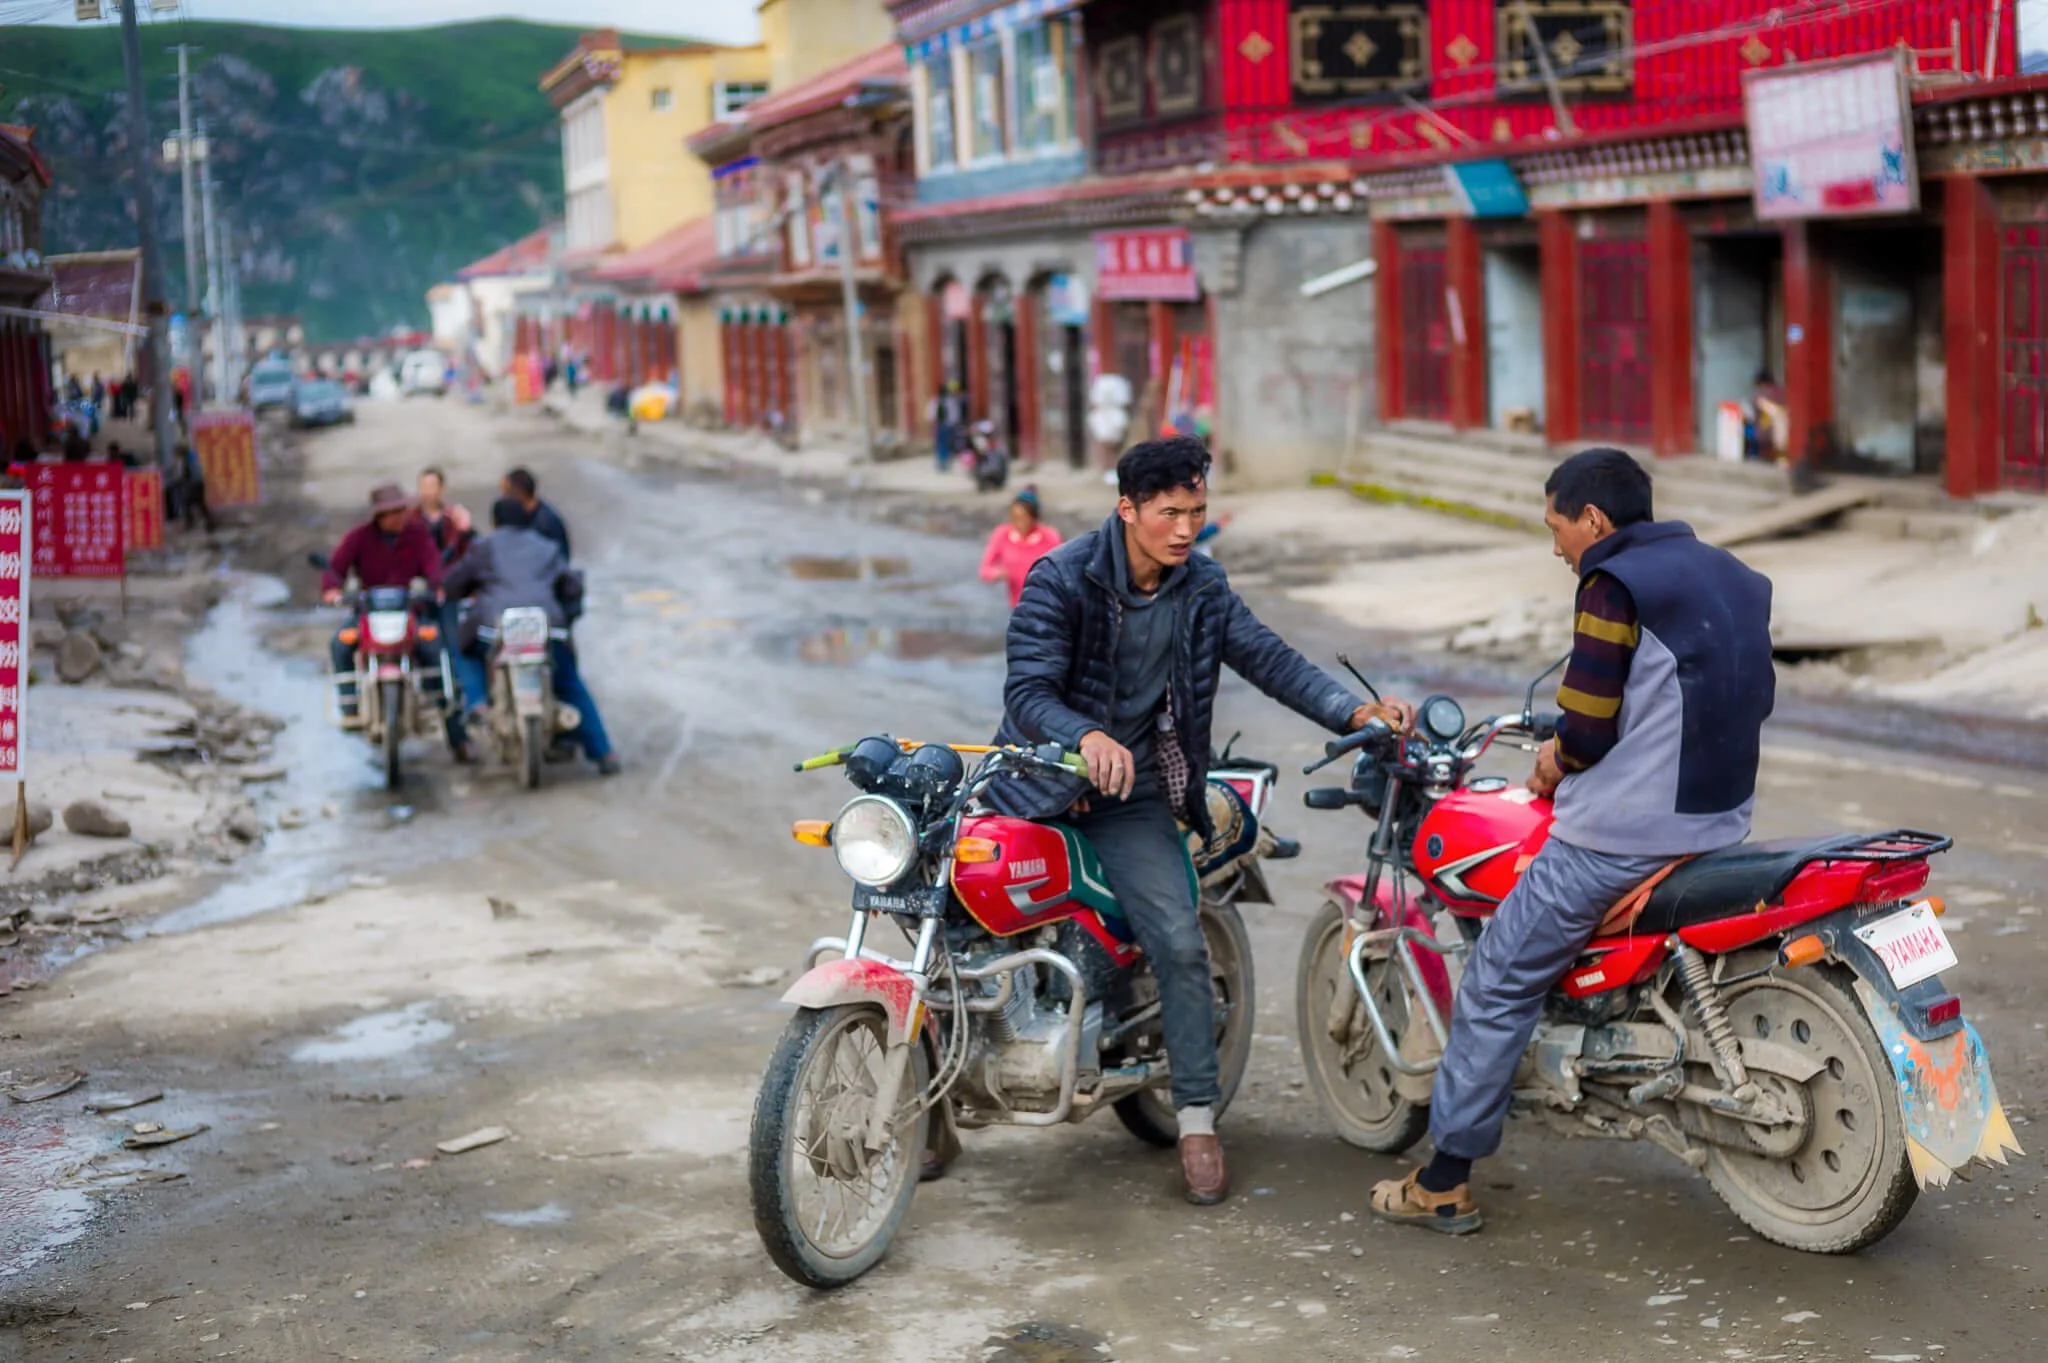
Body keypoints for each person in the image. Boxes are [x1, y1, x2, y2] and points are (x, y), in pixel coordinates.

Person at [988, 436, 1412, 1205]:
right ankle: (931, 1098)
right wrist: (1084, 736)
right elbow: (1028, 691)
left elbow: (1270, 659)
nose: (1185, 528)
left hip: (1134, 795)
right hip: (1037, 781)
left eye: (1197, 511)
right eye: (1169, 512)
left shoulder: (1202, 587)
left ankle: (1194, 1118)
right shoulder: (1061, 577)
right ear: (1127, 508)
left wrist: (1353, 710)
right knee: (954, 913)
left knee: (1179, 943)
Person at [1371, 447, 1775, 1237]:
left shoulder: (1612, 581)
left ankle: (1444, 1180)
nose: (1556, 545)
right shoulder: (1732, 574)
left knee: (1496, 979)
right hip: (1722, 821)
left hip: (1622, 838)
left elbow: (1586, 727)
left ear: (1593, 519)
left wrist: (1555, 760)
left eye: (1556, 526)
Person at [443, 497, 619, 776]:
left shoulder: (485, 547)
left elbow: (454, 582)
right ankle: (603, 752)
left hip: (497, 629)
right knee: (569, 681)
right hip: (544, 627)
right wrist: (566, 615)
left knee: (464, 651)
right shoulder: (546, 547)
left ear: (495, 521)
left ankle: (478, 702)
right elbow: (572, 585)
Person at [320, 482, 447, 727]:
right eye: (392, 513)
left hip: (407, 610)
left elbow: (434, 566)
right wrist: (332, 589)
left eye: (401, 510)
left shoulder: (418, 536)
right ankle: (349, 706)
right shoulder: (359, 537)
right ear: (379, 516)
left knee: (432, 644)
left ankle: (435, 704)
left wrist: (438, 586)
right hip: (368, 612)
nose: (399, 517)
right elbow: (335, 568)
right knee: (340, 644)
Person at [978, 488, 1062, 609]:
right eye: (1015, 518)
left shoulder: (1049, 536)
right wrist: (998, 574)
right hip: (1018, 605)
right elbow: (984, 570)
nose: (1019, 523)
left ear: (1034, 517)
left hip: (1047, 604)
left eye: (1023, 518)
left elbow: (1063, 570)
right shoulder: (1002, 535)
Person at [501, 467, 570, 559]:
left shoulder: (545, 524)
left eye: (506, 494)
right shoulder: (523, 516)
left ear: (520, 494)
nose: (503, 499)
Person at [416, 467, 474, 566]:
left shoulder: (453, 517)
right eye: (423, 487)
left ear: (442, 488)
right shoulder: (411, 518)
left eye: (431, 486)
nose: (426, 492)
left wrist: (465, 529)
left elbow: (464, 548)